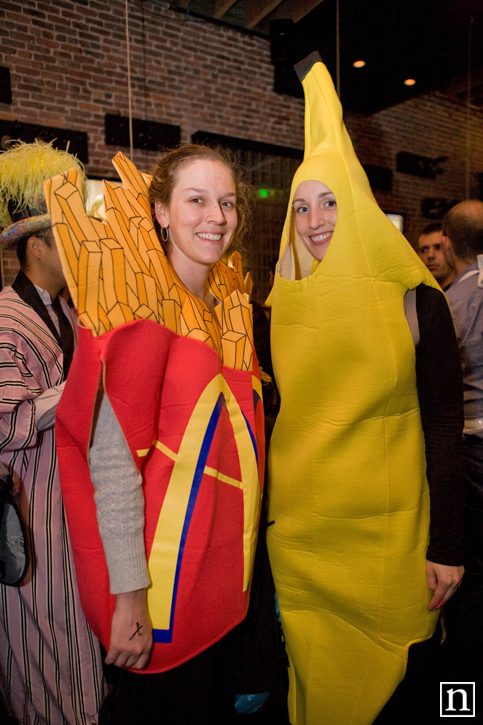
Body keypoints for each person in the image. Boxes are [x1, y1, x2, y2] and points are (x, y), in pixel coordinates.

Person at [266, 53, 464, 725]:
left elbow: (442, 425)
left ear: (355, 205)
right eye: (300, 206)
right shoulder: (278, 307)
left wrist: (447, 544)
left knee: (407, 690)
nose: (316, 220)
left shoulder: (415, 301)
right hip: (303, 545)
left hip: (390, 545)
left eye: (329, 201)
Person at [44, 145, 269, 723]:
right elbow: (113, 466)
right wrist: (129, 597)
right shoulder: (136, 303)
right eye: (196, 200)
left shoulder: (228, 307)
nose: (216, 216)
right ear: (162, 213)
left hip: (224, 589)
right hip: (161, 593)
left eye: (226, 202)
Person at [0, 141, 105, 724]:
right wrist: (87, 379)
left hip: (71, 515)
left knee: (77, 649)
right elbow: (5, 423)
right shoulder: (5, 317)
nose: (81, 248)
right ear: (37, 245)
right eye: (68, 235)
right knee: (38, 658)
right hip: (32, 521)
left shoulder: (66, 313)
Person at [440, 200, 483, 697]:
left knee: (470, 580)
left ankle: (461, 703)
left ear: (448, 245)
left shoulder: (453, 301)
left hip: (473, 448)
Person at [417, 221, 456, 290]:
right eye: (424, 250)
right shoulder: (418, 294)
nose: (430, 255)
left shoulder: (464, 293)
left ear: (452, 250)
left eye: (438, 247)